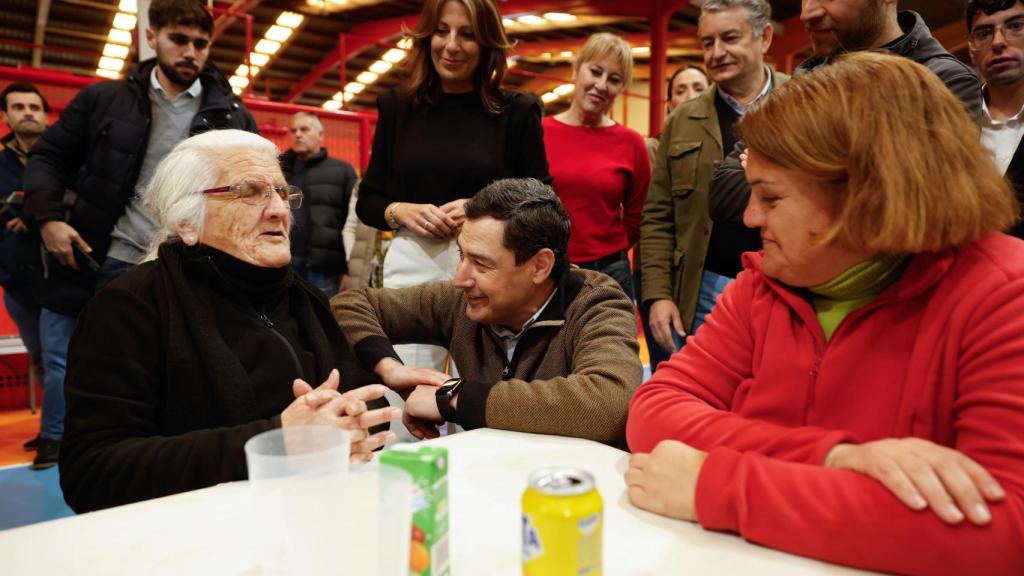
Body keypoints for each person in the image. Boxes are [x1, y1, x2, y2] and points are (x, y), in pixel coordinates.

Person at [625, 53, 1024, 575]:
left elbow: (1000, 532)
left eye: (770, 197)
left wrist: (716, 486)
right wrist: (838, 459)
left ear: (869, 198)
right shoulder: (763, 283)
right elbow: (654, 410)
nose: (750, 218)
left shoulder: (1003, 296)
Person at [59, 130, 399, 513]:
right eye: (249, 192)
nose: (278, 210)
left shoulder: (307, 299)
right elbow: (91, 472)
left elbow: (366, 405)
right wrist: (279, 442)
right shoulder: (128, 307)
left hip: (318, 520)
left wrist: (353, 424)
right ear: (186, 222)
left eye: (282, 193)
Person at [23, 0, 257, 470]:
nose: (191, 52)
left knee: (188, 377)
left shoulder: (231, 115)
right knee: (109, 376)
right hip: (113, 260)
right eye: (179, 39)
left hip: (196, 265)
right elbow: (48, 157)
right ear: (152, 36)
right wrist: (48, 218)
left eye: (201, 43)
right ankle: (99, 464)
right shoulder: (103, 100)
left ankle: (177, 469)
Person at [337, 179, 640, 446]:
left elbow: (609, 404)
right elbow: (348, 306)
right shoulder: (459, 301)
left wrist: (454, 397)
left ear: (540, 266)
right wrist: (391, 369)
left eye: (481, 264)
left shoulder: (597, 304)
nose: (460, 279)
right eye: (461, 255)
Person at [356, 0, 550, 376]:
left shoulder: (518, 111)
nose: (452, 45)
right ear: (427, 36)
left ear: (487, 43)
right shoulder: (397, 107)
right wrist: (401, 211)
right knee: (407, 381)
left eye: (468, 34)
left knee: (482, 386)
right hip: (414, 261)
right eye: (442, 31)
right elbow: (369, 200)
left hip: (490, 265)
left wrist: (484, 208)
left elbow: (542, 196)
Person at [708, 0, 984, 224]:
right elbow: (722, 193)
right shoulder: (805, 78)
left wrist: (781, 164)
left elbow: (915, 208)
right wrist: (845, 169)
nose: (807, 12)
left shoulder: (943, 80)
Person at [641, 0, 787, 370]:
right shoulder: (683, 120)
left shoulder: (802, 100)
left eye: (730, 38)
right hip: (703, 289)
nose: (717, 52)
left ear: (765, 37)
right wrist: (658, 295)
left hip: (786, 284)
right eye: (708, 42)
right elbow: (658, 216)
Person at [542, 33, 649, 299]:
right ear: (576, 70)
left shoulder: (632, 143)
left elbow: (637, 215)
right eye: (595, 72)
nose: (601, 85)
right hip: (546, 267)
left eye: (613, 79)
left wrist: (605, 247)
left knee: (606, 341)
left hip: (609, 270)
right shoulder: (539, 133)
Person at [0, 83, 47, 463]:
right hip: (17, 278)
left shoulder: (62, 158)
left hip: (64, 276)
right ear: (6, 116)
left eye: (34, 106)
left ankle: (67, 430)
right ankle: (52, 428)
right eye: (18, 106)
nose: (28, 112)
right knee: (39, 358)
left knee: (70, 357)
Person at [281, 111, 356, 298]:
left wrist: (350, 270)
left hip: (327, 270)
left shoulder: (343, 172)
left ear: (321, 135)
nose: (298, 134)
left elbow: (354, 224)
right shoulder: (281, 172)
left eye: (304, 129)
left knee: (325, 322)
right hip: (286, 266)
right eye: (294, 130)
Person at [967, 0, 1024, 238]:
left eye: (1015, 26)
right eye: (984, 33)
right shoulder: (951, 123)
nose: (998, 42)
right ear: (971, 50)